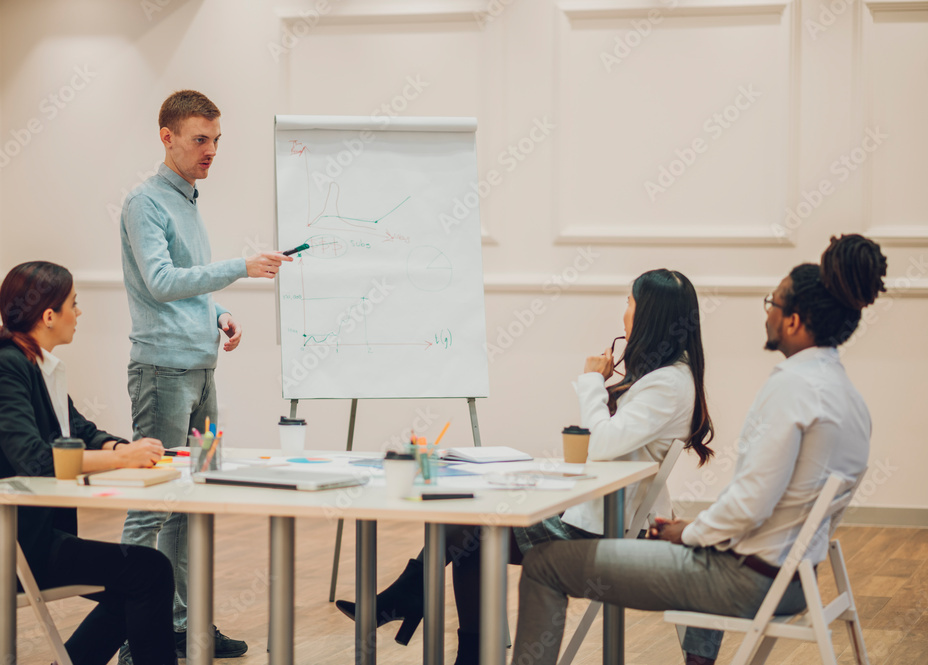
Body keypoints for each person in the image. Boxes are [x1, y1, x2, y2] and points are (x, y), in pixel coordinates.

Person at [510, 234, 887, 665]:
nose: (767, 312)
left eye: (773, 303)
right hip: (795, 576)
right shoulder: (848, 397)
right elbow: (769, 505)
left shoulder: (792, 389)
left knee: (544, 565)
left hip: (745, 580)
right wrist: (698, 527)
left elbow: (748, 505)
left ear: (793, 322)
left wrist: (690, 532)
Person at [336, 268, 715, 664]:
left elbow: (601, 444)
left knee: (469, 530)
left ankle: (419, 607)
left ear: (648, 315)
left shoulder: (668, 384)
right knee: (469, 530)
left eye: (629, 303)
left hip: (605, 531)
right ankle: (422, 609)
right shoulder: (665, 376)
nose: (624, 312)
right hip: (600, 517)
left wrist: (590, 383)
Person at [0, 261, 175, 665]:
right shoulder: (6, 368)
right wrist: (121, 460)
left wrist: (123, 450)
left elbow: (79, 429)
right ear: (49, 315)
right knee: (149, 571)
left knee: (141, 579)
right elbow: (37, 460)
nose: (78, 314)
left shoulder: (38, 365)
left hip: (25, 538)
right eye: (73, 305)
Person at [118, 90, 292, 661]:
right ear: (166, 138)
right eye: (200, 139)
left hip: (200, 370)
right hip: (163, 373)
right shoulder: (146, 203)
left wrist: (219, 314)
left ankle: (183, 625)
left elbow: (185, 286)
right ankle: (125, 631)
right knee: (154, 505)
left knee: (197, 495)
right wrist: (241, 268)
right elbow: (163, 282)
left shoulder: (187, 200)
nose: (211, 150)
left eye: (216, 140)